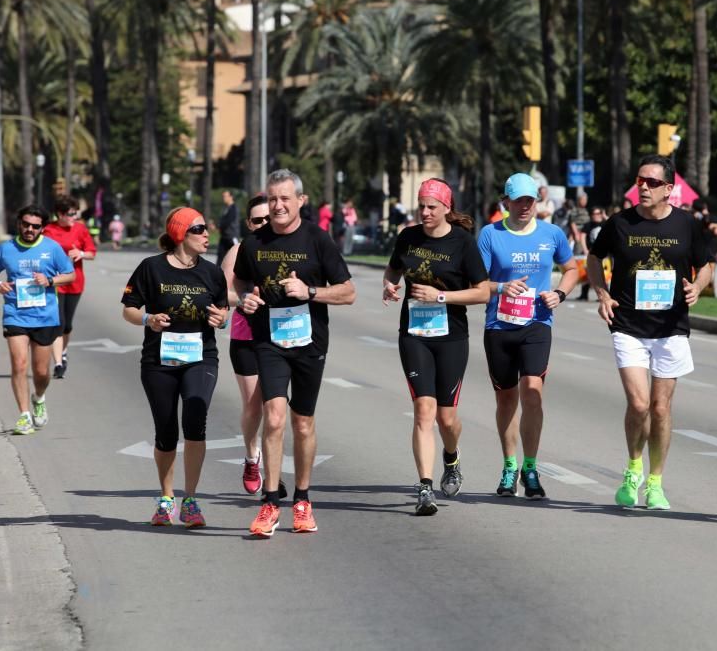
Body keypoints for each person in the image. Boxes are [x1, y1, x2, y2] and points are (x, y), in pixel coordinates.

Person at [586, 155, 713, 510]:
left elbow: (706, 265)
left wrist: (698, 288)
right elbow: (594, 259)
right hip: (628, 325)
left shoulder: (686, 225)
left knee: (660, 408)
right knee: (639, 404)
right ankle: (632, 468)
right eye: (640, 180)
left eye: (652, 182)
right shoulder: (619, 223)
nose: (643, 187)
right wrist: (602, 293)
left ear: (669, 190)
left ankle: (655, 482)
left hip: (671, 328)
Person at [234, 169, 356, 537]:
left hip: (309, 342)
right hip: (268, 340)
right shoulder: (254, 242)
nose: (278, 205)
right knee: (273, 417)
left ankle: (302, 499)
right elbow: (239, 280)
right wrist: (245, 298)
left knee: (302, 422)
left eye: (285, 198)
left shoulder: (318, 240)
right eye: (272, 198)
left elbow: (348, 291)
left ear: (301, 201)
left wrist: (311, 292)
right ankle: (271, 502)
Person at [382, 179, 489, 515]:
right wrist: (389, 285)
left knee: (447, 418)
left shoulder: (463, 243)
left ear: (446, 208)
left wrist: (441, 296)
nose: (425, 213)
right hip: (414, 334)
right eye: (421, 206)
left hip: (451, 337)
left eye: (431, 207)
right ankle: (425, 487)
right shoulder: (408, 237)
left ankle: (451, 458)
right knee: (424, 412)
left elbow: (483, 292)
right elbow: (394, 269)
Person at [121, 207, 229, 527]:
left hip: (200, 357)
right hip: (159, 361)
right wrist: (148, 319)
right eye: (199, 229)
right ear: (181, 233)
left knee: (195, 420)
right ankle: (167, 498)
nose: (207, 234)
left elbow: (222, 313)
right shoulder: (151, 268)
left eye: (207, 228)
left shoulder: (212, 273)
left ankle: (191, 500)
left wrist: (221, 320)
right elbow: (128, 309)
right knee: (166, 431)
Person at [479, 173, 578, 499]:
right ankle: (509, 466)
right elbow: (476, 284)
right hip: (500, 325)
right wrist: (501, 287)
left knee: (532, 391)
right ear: (505, 202)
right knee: (506, 398)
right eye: (518, 200)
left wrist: (559, 294)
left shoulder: (552, 234)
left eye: (530, 201)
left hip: (537, 323)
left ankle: (530, 467)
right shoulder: (490, 235)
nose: (524, 207)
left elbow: (572, 269)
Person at [0, 206, 75, 435]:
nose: (29, 229)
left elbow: (70, 274)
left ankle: (39, 396)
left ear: (42, 228)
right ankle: (24, 415)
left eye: (35, 226)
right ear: (19, 223)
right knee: (19, 365)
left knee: (41, 372)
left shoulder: (51, 248)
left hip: (45, 316)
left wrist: (50, 280)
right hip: (15, 313)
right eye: (26, 224)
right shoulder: (6, 248)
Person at [220, 194, 287, 500]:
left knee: (276, 408)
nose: (263, 224)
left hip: (280, 337)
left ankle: (274, 474)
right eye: (257, 220)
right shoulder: (239, 251)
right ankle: (251, 458)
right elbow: (224, 294)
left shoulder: (286, 249)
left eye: (267, 219)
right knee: (254, 406)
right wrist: (246, 295)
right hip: (246, 336)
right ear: (249, 223)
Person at [43, 195, 97, 379]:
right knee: (58, 323)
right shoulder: (49, 230)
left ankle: (63, 352)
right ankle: (58, 363)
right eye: (70, 213)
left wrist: (81, 253)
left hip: (75, 281)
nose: (74, 216)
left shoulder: (80, 229)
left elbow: (92, 253)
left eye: (75, 213)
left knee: (67, 325)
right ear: (59, 214)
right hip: (55, 283)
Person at [216, 190, 239, 263]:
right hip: (224, 237)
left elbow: (228, 221)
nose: (223, 198)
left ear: (231, 197)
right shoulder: (225, 208)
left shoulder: (233, 208)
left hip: (231, 237)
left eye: (225, 196)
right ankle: (218, 273)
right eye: (223, 196)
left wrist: (220, 226)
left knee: (237, 256)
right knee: (220, 257)